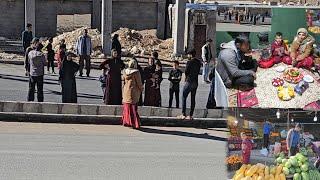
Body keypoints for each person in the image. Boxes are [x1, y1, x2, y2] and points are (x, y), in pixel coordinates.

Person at [179, 49, 201, 120]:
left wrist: (185, 78)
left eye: (188, 54)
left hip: (189, 81)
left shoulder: (189, 62)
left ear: (191, 55)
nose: (188, 56)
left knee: (184, 97)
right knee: (193, 98)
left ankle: (183, 114)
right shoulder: (198, 62)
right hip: (195, 82)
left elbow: (186, 71)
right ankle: (191, 115)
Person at [122, 59, 144, 129]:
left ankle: (126, 122)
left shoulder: (125, 71)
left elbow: (123, 81)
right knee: (133, 109)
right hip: (133, 92)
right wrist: (142, 89)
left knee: (127, 108)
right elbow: (139, 83)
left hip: (126, 91)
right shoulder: (136, 72)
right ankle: (135, 123)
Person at [27, 38, 46, 102]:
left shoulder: (30, 53)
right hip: (40, 73)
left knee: (31, 88)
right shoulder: (42, 55)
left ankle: (30, 100)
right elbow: (44, 63)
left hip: (32, 73)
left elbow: (29, 61)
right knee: (40, 89)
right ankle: (40, 101)